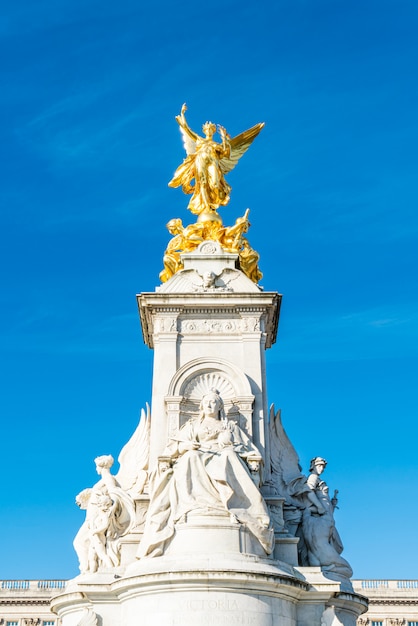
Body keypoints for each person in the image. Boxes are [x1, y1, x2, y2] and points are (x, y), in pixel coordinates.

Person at [137, 389, 273, 558]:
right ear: (201, 405)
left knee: (229, 456)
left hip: (223, 457)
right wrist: (184, 447)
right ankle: (191, 507)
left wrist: (230, 446)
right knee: (190, 457)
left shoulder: (230, 426)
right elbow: (174, 448)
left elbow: (247, 449)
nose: (209, 404)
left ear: (220, 406)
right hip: (197, 457)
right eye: (207, 401)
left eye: (214, 401)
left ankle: (236, 506)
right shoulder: (192, 426)